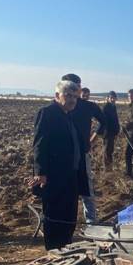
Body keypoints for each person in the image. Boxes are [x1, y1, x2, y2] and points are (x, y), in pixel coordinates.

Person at [31, 81, 83, 249]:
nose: (72, 100)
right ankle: (54, 251)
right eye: (68, 95)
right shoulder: (47, 113)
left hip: (70, 175)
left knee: (69, 215)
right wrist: (41, 172)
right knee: (55, 216)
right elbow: (39, 144)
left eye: (75, 96)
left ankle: (66, 247)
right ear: (57, 95)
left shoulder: (69, 115)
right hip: (54, 176)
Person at [70, 85, 105, 224]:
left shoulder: (88, 106)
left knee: (84, 188)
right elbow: (104, 122)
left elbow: (104, 121)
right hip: (70, 154)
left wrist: (92, 139)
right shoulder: (61, 108)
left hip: (80, 153)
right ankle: (90, 222)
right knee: (84, 189)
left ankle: (90, 222)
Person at [100, 91, 120, 169]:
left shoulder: (113, 107)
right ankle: (107, 169)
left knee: (110, 150)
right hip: (107, 133)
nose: (112, 99)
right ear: (108, 98)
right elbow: (104, 122)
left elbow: (115, 119)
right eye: (111, 98)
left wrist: (117, 129)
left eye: (114, 98)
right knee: (107, 151)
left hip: (112, 133)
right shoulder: (106, 108)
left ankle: (109, 167)